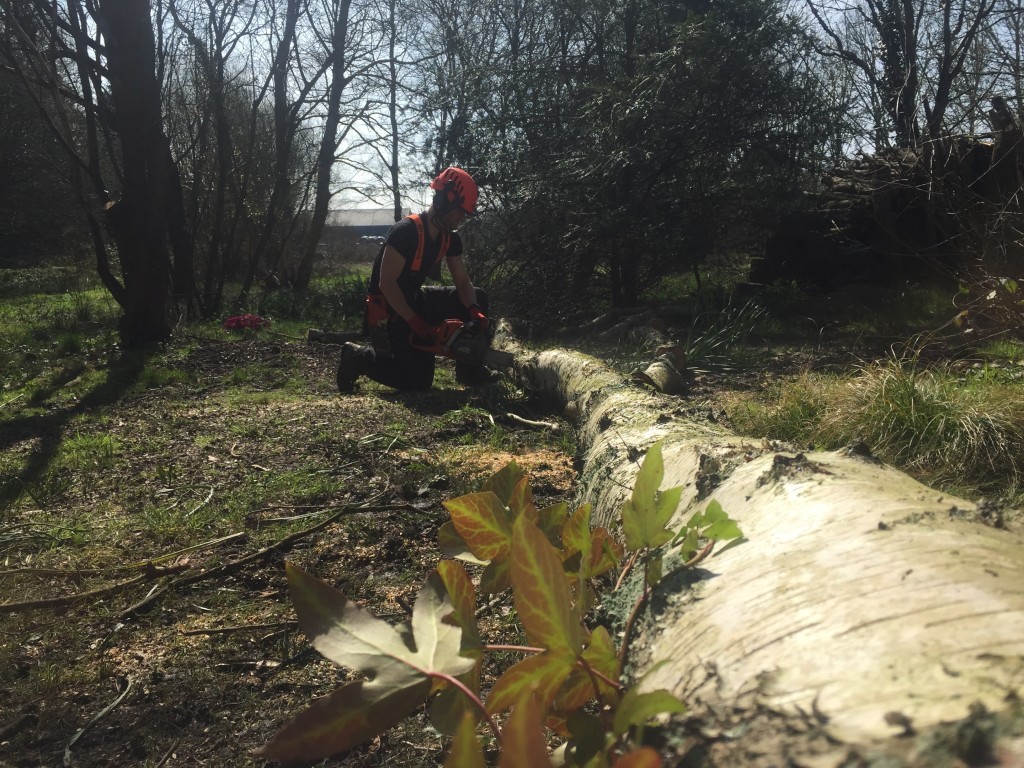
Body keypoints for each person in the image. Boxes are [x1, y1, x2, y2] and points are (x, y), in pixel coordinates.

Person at [336, 167, 497, 392]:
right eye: (460, 212)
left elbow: (462, 282)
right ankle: (358, 357)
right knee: (418, 381)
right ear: (444, 201)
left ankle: (469, 370)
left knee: (478, 296)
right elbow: (387, 284)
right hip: (390, 309)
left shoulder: (450, 238)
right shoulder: (405, 232)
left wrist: (474, 310)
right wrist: (415, 322)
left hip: (415, 298)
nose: (462, 218)